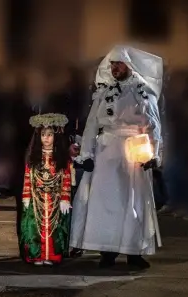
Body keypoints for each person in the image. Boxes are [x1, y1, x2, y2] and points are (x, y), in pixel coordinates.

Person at [70, 45, 164, 269]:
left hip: (133, 153)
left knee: (133, 202)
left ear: (129, 65)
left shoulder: (142, 92)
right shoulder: (104, 92)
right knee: (105, 202)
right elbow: (92, 123)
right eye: (112, 64)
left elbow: (154, 125)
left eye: (118, 64)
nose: (114, 68)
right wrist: (87, 153)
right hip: (106, 153)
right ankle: (107, 251)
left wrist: (155, 154)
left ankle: (133, 252)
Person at [20, 113, 72, 266]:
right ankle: (37, 255)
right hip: (37, 199)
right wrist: (26, 196)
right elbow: (28, 177)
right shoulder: (33, 157)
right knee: (35, 227)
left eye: (50, 135)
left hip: (55, 200)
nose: (47, 138)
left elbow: (66, 178)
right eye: (43, 135)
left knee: (55, 228)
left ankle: (52, 255)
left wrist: (65, 198)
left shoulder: (61, 158)